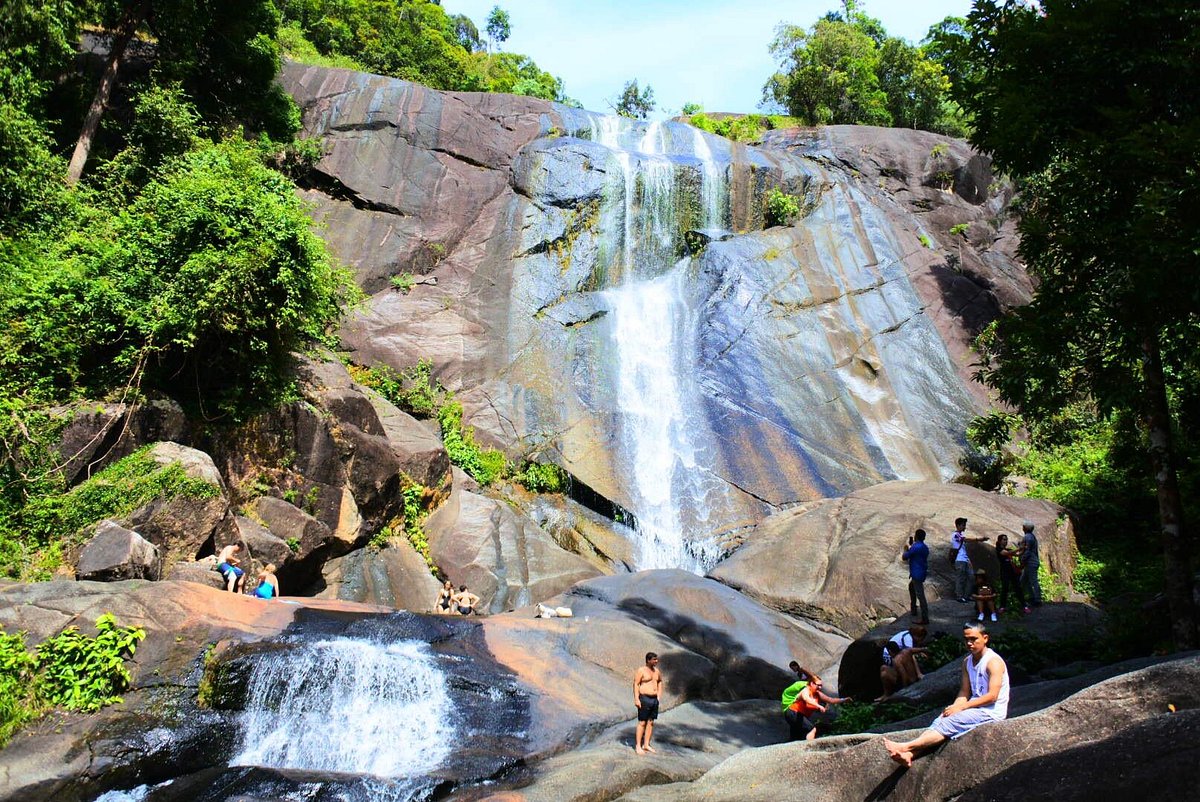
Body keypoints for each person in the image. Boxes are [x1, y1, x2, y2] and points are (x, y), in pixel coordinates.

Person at [882, 622, 1009, 767]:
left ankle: (906, 747)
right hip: (974, 707)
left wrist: (962, 708)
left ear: (985, 638)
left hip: (991, 710)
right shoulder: (967, 662)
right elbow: (964, 691)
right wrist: (955, 706)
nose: (969, 643)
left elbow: (993, 696)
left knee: (950, 723)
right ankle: (911, 754)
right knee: (941, 719)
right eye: (966, 639)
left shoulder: (993, 662)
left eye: (974, 639)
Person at [783, 672, 848, 741]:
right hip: (793, 712)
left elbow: (831, 700)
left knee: (796, 736)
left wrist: (844, 700)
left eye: (821, 685)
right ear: (812, 684)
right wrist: (819, 706)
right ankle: (810, 747)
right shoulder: (806, 690)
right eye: (818, 685)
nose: (820, 687)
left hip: (799, 715)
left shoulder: (817, 694)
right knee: (811, 729)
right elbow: (806, 699)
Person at [877, 625, 928, 701]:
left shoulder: (900, 656)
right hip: (903, 676)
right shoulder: (907, 641)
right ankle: (886, 694)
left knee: (885, 672)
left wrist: (904, 691)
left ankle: (888, 693)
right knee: (883, 668)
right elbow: (911, 653)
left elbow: (911, 651)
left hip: (909, 679)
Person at [950, 518, 989, 603]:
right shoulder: (955, 535)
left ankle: (966, 595)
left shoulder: (960, 535)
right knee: (960, 578)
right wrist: (978, 539)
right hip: (959, 559)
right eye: (963, 525)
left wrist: (968, 560)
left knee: (971, 577)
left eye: (964, 525)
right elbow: (965, 540)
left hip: (965, 559)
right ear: (958, 525)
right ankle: (959, 596)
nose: (965, 527)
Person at [634, 652, 663, 755]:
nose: (656, 661)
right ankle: (638, 746)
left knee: (651, 722)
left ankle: (646, 744)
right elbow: (636, 684)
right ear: (648, 660)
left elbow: (659, 682)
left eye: (656, 659)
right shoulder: (641, 670)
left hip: (654, 699)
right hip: (644, 698)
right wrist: (637, 699)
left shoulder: (657, 671)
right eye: (654, 659)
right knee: (642, 722)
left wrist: (659, 695)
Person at [902, 528, 930, 623]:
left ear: (916, 537)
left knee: (920, 595)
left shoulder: (916, 546)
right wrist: (912, 546)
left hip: (916, 573)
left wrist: (906, 549)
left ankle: (925, 617)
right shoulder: (924, 547)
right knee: (911, 587)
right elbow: (917, 555)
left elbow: (905, 557)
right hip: (921, 572)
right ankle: (913, 609)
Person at [994, 534, 1028, 614]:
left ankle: (1024, 605)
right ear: (999, 541)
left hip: (1012, 571)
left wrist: (1024, 549)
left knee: (1017, 588)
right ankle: (1002, 606)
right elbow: (1007, 553)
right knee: (1005, 588)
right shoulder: (999, 549)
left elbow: (1017, 554)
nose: (1005, 541)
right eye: (1004, 539)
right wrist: (1019, 548)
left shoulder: (1007, 549)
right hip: (1004, 571)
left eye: (1006, 539)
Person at [1018, 520, 1043, 608]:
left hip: (1030, 562)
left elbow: (1027, 551)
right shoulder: (1031, 536)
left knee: (1033, 581)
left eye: (1023, 526)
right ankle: (1031, 597)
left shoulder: (1028, 537)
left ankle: (1037, 599)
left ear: (1025, 528)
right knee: (1024, 580)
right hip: (1031, 562)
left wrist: (1022, 560)